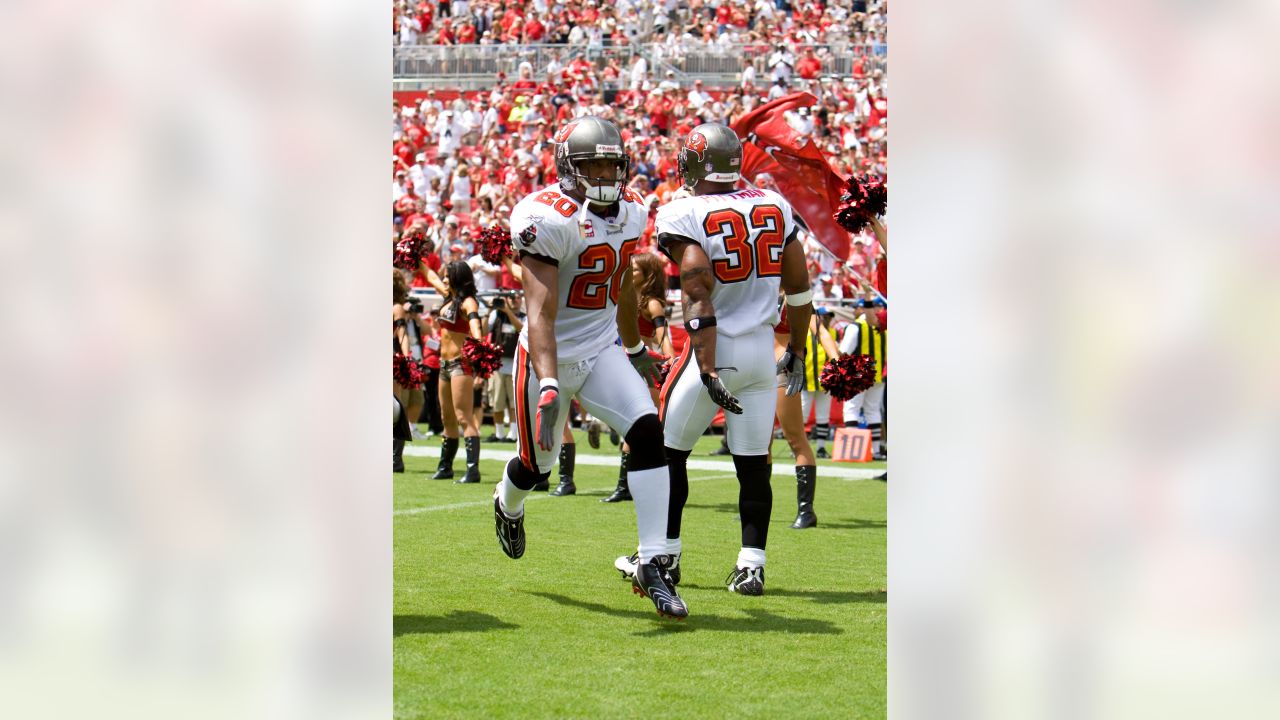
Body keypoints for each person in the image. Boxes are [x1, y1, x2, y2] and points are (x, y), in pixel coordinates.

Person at [495, 116, 688, 619]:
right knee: (535, 470)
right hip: (548, 353)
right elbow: (539, 311)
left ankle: (652, 563)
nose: (604, 171)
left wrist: (634, 347)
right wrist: (551, 381)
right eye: (592, 163)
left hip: (601, 348)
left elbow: (622, 286)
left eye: (610, 161)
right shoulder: (547, 216)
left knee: (648, 433)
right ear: (568, 167)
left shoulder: (632, 212)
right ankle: (507, 502)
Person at [615, 123, 812, 596]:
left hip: (716, 348)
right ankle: (751, 565)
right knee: (753, 465)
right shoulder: (773, 203)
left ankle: (663, 556)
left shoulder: (684, 210)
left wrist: (705, 367)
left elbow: (698, 293)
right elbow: (801, 289)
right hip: (763, 351)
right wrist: (799, 350)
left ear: (696, 164)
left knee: (667, 454)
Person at [600, 251, 675, 503]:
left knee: (641, 427)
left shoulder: (652, 303)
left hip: (644, 367)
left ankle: (626, 486)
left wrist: (669, 362)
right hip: (626, 362)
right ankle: (629, 486)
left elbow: (663, 337)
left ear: (648, 275)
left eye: (634, 270)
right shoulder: (629, 297)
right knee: (638, 428)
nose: (629, 274)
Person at [419, 260, 487, 483]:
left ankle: (472, 470)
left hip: (461, 364)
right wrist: (414, 256)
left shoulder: (468, 302)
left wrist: (480, 348)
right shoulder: (449, 298)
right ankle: (445, 466)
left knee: (463, 417)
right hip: (443, 366)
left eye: (448, 276)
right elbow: (430, 276)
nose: (445, 279)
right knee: (446, 417)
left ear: (458, 277)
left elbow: (476, 327)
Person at [772, 297, 820, 528]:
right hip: (755, 371)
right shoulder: (756, 287)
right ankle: (755, 500)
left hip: (784, 369)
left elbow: (819, 329)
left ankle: (806, 511)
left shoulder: (795, 295)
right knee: (759, 442)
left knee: (795, 437)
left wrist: (838, 357)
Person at [839, 293, 887, 459]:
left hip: (858, 374)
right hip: (878, 374)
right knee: (873, 410)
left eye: (857, 308)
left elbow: (843, 351)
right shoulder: (883, 326)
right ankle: (875, 450)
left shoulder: (855, 326)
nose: (855, 311)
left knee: (851, 408)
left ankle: (851, 450)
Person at [801, 307, 842, 458]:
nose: (827, 319)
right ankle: (799, 446)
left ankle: (821, 448)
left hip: (826, 381)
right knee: (802, 414)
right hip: (807, 379)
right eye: (824, 316)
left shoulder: (834, 333)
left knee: (823, 415)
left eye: (829, 317)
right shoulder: (804, 331)